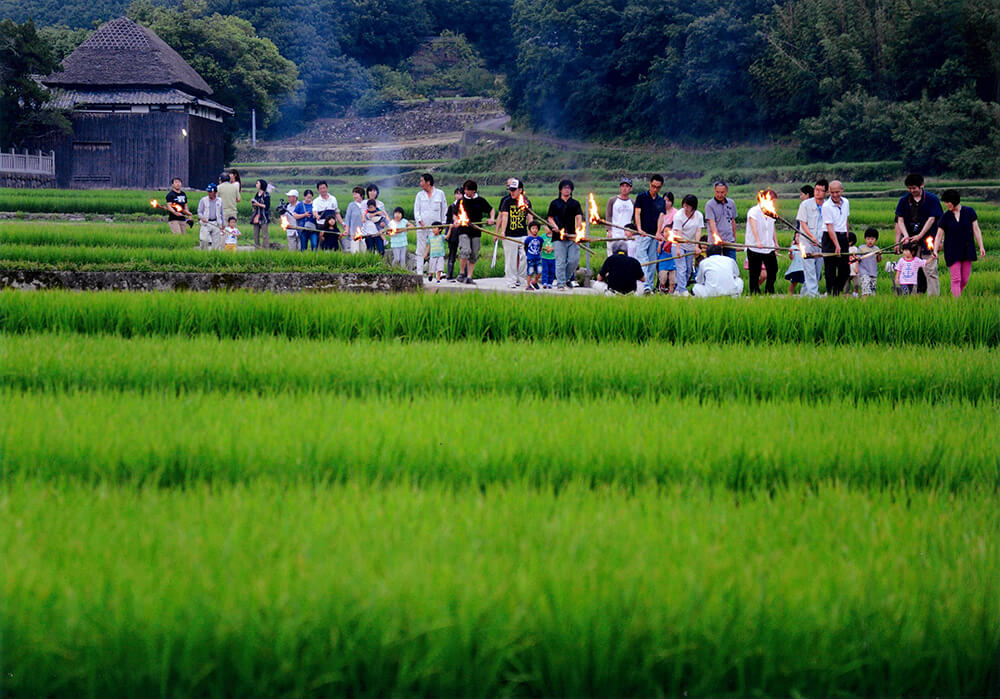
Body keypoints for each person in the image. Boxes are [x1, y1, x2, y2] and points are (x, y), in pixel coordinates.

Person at [895, 173, 943, 295]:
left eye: (914, 188)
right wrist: (905, 236)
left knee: (930, 270)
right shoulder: (904, 200)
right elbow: (899, 220)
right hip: (910, 242)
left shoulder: (932, 199)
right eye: (909, 188)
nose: (912, 190)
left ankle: (933, 298)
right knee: (910, 268)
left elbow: (932, 219)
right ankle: (912, 296)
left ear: (921, 185)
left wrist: (920, 236)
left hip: (929, 239)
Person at [934, 189, 987, 297]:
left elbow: (976, 229)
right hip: (952, 250)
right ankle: (956, 302)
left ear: (954, 201)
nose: (946, 205)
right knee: (956, 279)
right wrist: (935, 249)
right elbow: (939, 235)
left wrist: (981, 246)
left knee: (964, 280)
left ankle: (956, 295)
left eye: (947, 202)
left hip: (967, 249)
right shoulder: (946, 216)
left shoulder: (969, 212)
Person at [546, 178, 584, 290]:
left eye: (568, 188)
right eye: (564, 188)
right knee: (560, 261)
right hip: (558, 237)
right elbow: (550, 218)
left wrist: (578, 230)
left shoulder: (575, 203)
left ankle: (566, 278)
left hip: (573, 237)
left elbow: (578, 217)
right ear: (560, 190)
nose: (566, 190)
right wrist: (555, 227)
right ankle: (561, 283)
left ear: (571, 190)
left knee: (574, 260)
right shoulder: (555, 203)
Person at [455, 179, 494, 284]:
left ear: (474, 191)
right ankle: (462, 272)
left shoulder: (480, 201)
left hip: (476, 231)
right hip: (463, 230)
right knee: (465, 250)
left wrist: (491, 218)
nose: (466, 192)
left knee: (474, 253)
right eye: (465, 190)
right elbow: (455, 214)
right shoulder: (461, 201)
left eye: (468, 190)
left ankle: (469, 276)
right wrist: (456, 221)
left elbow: (491, 209)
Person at [632, 174, 666, 294]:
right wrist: (639, 229)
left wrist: (658, 232)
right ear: (650, 184)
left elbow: (661, 217)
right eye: (653, 186)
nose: (655, 189)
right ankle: (644, 285)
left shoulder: (661, 201)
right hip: (643, 234)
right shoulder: (641, 197)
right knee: (643, 259)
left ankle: (649, 287)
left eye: (658, 187)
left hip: (653, 235)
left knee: (652, 261)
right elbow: (637, 213)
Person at [496, 177, 532, 288]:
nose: (512, 192)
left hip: (523, 234)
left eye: (514, 190)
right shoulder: (507, 201)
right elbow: (504, 217)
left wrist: (531, 233)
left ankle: (521, 279)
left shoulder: (526, 201)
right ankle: (510, 281)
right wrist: (502, 231)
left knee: (525, 258)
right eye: (510, 190)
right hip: (510, 235)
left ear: (520, 190)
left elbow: (530, 217)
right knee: (510, 260)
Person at [744, 190, 779, 294]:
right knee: (754, 273)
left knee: (773, 269)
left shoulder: (771, 212)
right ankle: (755, 292)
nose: (772, 203)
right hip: (755, 247)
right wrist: (758, 241)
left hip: (769, 247)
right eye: (771, 201)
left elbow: (772, 228)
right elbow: (753, 225)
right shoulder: (754, 211)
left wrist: (775, 243)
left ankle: (769, 290)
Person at [796, 179, 827, 297]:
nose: (818, 192)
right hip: (807, 243)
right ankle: (814, 296)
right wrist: (812, 237)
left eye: (821, 190)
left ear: (825, 192)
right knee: (809, 271)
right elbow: (803, 223)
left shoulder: (827, 206)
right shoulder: (805, 204)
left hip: (821, 243)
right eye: (816, 190)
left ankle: (804, 296)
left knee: (817, 272)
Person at [413, 173, 448, 277]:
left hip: (435, 229)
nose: (420, 184)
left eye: (422, 181)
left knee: (437, 249)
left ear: (428, 182)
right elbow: (416, 211)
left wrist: (443, 223)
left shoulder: (440, 193)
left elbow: (444, 209)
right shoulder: (419, 195)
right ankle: (419, 272)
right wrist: (420, 221)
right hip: (422, 228)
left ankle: (438, 272)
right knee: (420, 249)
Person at [671, 194, 705, 295]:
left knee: (689, 269)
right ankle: (683, 291)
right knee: (681, 268)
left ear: (693, 207)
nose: (685, 208)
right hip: (678, 244)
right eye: (684, 205)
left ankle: (678, 289)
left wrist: (696, 246)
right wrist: (677, 248)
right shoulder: (678, 216)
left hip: (690, 245)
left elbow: (698, 231)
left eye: (688, 206)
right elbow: (678, 233)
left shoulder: (699, 215)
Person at [822, 179, 851, 295]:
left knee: (845, 269)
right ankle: (831, 293)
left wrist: (846, 236)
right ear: (829, 192)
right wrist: (836, 245)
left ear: (842, 191)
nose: (835, 195)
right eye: (832, 192)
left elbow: (846, 220)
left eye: (837, 192)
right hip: (830, 237)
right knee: (830, 268)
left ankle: (837, 291)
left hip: (842, 236)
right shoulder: (826, 206)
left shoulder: (846, 202)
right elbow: (830, 227)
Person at [705, 181, 739, 261]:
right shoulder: (710, 205)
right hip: (715, 243)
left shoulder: (731, 203)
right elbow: (712, 223)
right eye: (717, 192)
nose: (719, 195)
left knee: (731, 263)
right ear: (714, 191)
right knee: (715, 264)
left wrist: (734, 239)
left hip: (729, 241)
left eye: (722, 192)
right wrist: (717, 238)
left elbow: (733, 221)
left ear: (726, 192)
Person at [605, 177, 635, 257]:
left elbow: (635, 218)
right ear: (620, 188)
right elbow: (608, 215)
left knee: (627, 256)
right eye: (622, 186)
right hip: (614, 233)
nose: (624, 188)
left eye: (627, 186)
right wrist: (609, 230)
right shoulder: (613, 200)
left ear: (630, 188)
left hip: (627, 234)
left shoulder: (632, 202)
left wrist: (633, 232)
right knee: (612, 255)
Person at [313, 181, 345, 251]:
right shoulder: (316, 201)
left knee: (335, 240)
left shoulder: (333, 199)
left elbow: (337, 213)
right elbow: (314, 211)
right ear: (318, 190)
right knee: (322, 242)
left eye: (324, 188)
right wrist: (317, 216)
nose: (323, 190)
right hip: (322, 225)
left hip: (333, 225)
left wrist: (342, 223)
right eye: (321, 188)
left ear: (327, 188)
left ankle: (341, 252)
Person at [655, 192, 677, 293]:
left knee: (672, 265)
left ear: (672, 202)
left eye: (669, 200)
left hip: (671, 240)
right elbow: (657, 224)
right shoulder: (660, 211)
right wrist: (659, 234)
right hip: (660, 239)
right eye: (665, 201)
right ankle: (660, 284)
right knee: (659, 262)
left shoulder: (675, 213)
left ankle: (671, 287)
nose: (667, 203)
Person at [197, 182, 224, 250]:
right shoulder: (203, 200)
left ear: (215, 192)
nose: (209, 193)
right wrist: (202, 217)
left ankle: (214, 255)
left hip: (216, 223)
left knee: (216, 242)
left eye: (210, 191)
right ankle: (203, 254)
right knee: (204, 240)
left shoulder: (220, 201)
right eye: (208, 191)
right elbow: (199, 212)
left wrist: (223, 224)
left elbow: (222, 213)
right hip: (206, 223)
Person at [444, 187, 463, 280]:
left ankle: (464, 274)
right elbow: (448, 221)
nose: (458, 195)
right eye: (456, 193)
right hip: (453, 233)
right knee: (452, 254)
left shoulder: (466, 206)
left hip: (463, 232)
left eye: (460, 193)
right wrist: (447, 233)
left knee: (464, 254)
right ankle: (449, 275)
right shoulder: (452, 206)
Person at [856, 228, 881, 297]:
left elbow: (878, 260)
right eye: (868, 239)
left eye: (872, 239)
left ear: (876, 240)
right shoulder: (861, 248)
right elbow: (857, 258)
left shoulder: (877, 249)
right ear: (865, 239)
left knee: (872, 291)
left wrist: (879, 254)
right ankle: (864, 302)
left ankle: (870, 303)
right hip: (864, 272)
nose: (870, 241)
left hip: (873, 272)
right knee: (865, 288)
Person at [343, 186, 366, 254]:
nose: (354, 196)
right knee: (355, 252)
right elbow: (347, 219)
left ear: (361, 195)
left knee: (364, 251)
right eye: (353, 194)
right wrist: (347, 230)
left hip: (365, 232)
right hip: (354, 233)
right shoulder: (351, 205)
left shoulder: (366, 204)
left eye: (356, 194)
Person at [250, 179, 271, 249]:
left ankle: (266, 250)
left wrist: (258, 204)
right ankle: (257, 249)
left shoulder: (266, 195)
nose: (256, 185)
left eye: (257, 183)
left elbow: (266, 206)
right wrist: (253, 204)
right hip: (256, 216)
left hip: (264, 217)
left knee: (265, 235)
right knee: (255, 234)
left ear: (261, 185)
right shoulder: (256, 194)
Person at [523, 220, 544, 290]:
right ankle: (528, 285)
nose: (535, 230)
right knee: (530, 272)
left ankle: (535, 281)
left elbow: (540, 247)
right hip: (530, 258)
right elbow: (525, 247)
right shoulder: (528, 239)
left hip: (538, 257)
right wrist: (528, 255)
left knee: (540, 271)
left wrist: (539, 253)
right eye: (533, 228)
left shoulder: (540, 239)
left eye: (536, 228)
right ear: (530, 230)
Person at [540, 225, 556, 289]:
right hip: (544, 257)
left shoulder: (555, 237)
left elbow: (558, 246)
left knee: (552, 271)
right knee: (545, 270)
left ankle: (550, 283)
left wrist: (552, 248)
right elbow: (539, 244)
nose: (545, 228)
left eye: (547, 227)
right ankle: (544, 282)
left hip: (553, 257)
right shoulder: (542, 237)